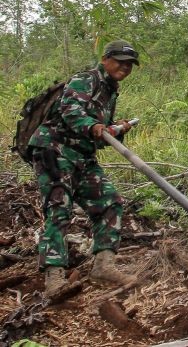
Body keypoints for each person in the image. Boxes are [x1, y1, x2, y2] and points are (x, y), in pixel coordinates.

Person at [28, 39, 141, 295]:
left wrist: (116, 129)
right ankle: (54, 278)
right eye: (121, 62)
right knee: (59, 209)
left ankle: (103, 266)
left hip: (82, 156)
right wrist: (94, 126)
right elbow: (70, 111)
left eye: (130, 65)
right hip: (55, 150)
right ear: (106, 59)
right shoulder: (86, 79)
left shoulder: (110, 91)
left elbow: (99, 137)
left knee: (110, 202)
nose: (125, 68)